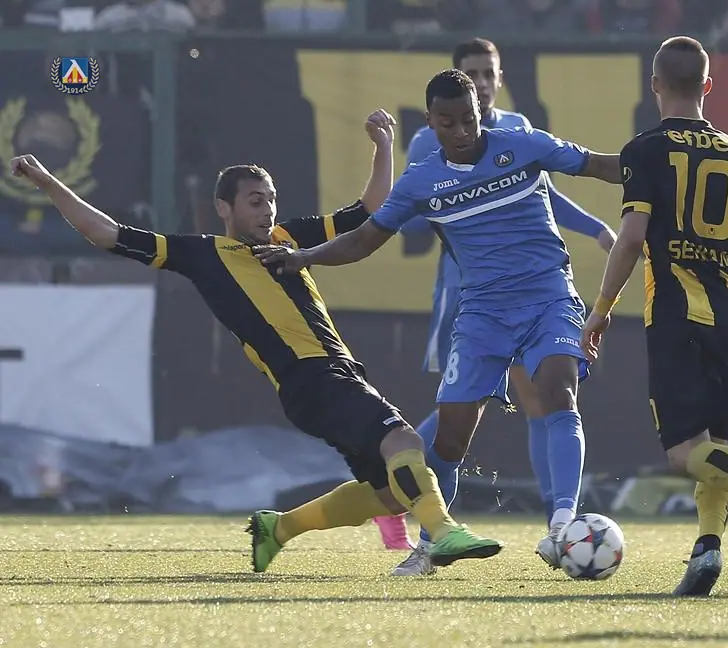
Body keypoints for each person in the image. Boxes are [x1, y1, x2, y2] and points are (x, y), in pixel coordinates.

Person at [8, 109, 502, 574]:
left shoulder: (288, 237)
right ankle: (443, 532)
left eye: (270, 199)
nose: (267, 210)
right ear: (223, 208)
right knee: (405, 442)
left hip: (332, 374)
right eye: (254, 201)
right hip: (310, 376)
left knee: (391, 493)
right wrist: (49, 182)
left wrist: (383, 146)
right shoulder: (204, 254)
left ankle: (278, 528)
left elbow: (370, 210)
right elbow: (108, 234)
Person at [253, 69, 623, 574]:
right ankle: (430, 546)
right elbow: (364, 239)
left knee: (558, 389)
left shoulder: (525, 144)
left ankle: (562, 524)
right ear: (430, 122)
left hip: (548, 298)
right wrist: (306, 257)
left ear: (480, 112)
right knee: (447, 442)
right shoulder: (421, 180)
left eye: (470, 119)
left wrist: (656, 164)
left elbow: (600, 165)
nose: (462, 131)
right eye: (448, 123)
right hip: (482, 316)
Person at [580, 36, 728, 597]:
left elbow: (631, 238)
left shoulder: (645, 150)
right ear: (708, 86)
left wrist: (600, 310)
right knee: (716, 444)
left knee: (684, 453)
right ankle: (707, 551)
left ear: (655, 84)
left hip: (675, 311)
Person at [375, 36, 618, 574]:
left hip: (539, 292)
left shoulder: (518, 132)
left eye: (489, 74)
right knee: (457, 417)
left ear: (498, 80)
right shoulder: (425, 148)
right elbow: (401, 220)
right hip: (468, 296)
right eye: (474, 73)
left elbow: (546, 189)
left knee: (547, 394)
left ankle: (558, 523)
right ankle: (395, 486)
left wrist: (596, 227)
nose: (483, 85)